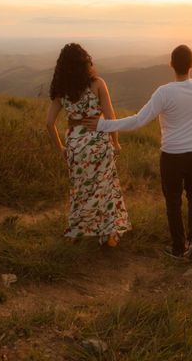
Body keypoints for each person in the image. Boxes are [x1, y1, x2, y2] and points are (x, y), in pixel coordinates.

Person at [79, 45, 192, 262]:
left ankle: (177, 247)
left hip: (173, 155)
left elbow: (137, 121)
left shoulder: (164, 92)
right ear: (191, 65)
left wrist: (101, 125)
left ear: (171, 64)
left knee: (173, 201)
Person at [45, 43, 131, 246]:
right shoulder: (98, 83)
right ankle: (108, 235)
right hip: (99, 143)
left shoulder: (61, 90)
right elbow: (110, 119)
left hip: (76, 146)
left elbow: (49, 124)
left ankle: (77, 232)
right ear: (86, 62)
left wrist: (62, 149)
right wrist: (116, 143)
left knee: (80, 191)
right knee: (105, 189)